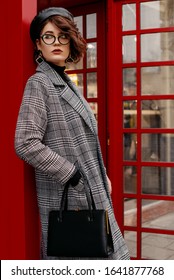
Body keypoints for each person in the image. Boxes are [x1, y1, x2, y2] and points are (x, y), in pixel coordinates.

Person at [15, 7, 130, 260]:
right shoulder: (40, 83)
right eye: (48, 36)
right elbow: (25, 142)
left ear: (71, 40)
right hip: (70, 198)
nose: (56, 42)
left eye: (63, 36)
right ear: (38, 44)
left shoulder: (68, 82)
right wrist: (73, 175)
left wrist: (103, 175)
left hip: (92, 188)